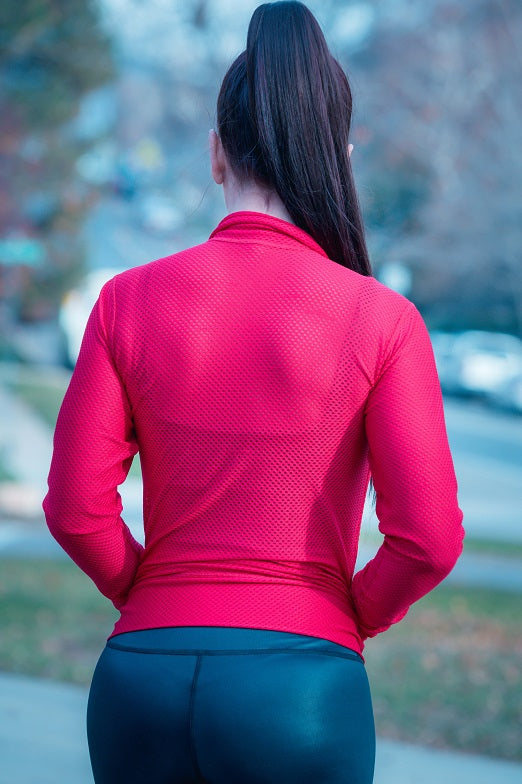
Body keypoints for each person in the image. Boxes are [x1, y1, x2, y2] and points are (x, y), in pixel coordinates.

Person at [43, 2, 465, 782]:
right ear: (340, 157)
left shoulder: (125, 300)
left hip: (139, 677)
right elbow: (428, 539)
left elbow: (75, 508)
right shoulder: (382, 319)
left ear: (215, 154)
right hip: (301, 685)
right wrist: (343, 614)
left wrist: (154, 594)